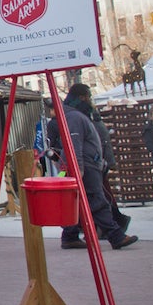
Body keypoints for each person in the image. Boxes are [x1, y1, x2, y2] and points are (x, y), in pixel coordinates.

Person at [52, 91, 138, 250]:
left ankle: (70, 236)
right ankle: (115, 235)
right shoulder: (75, 117)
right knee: (97, 200)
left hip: (86, 164)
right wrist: (78, 168)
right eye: (88, 97)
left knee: (78, 202)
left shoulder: (74, 116)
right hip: (86, 165)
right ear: (82, 98)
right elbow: (74, 143)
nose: (91, 101)